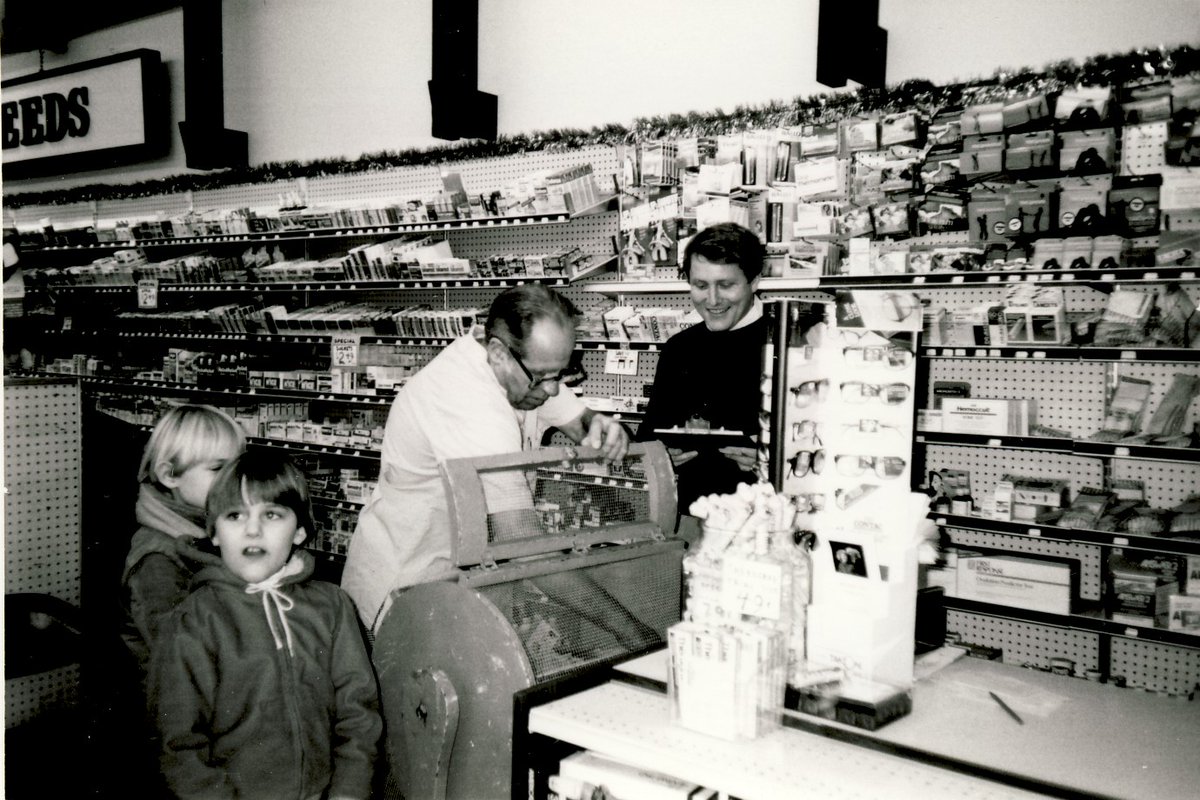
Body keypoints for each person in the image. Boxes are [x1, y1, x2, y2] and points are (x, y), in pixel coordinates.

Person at [341, 283, 630, 631]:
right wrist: (631, 630)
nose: (552, 388)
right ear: (497, 352)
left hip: (457, 576)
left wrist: (599, 425)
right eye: (543, 378)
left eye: (560, 373)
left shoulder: (527, 371)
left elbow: (578, 420)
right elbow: (527, 548)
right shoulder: (468, 400)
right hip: (407, 586)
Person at [150, 450, 382, 800]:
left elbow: (358, 714)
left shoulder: (331, 607)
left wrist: (348, 791)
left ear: (301, 531)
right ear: (214, 534)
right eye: (235, 515)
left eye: (271, 514)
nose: (253, 530)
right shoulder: (196, 620)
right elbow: (178, 744)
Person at [637, 222, 768, 509]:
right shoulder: (679, 348)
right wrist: (660, 456)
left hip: (764, 523)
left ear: (755, 280)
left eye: (726, 285)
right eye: (700, 285)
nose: (712, 300)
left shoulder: (788, 342)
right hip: (689, 517)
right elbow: (648, 436)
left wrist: (771, 458)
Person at [120, 404, 246, 677]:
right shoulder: (158, 559)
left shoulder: (203, 528)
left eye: (238, 467)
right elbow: (179, 655)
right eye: (218, 469)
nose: (235, 481)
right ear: (170, 475)